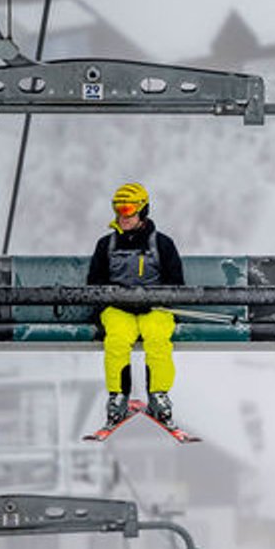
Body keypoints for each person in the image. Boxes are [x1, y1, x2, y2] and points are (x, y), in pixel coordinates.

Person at [88, 181, 185, 427]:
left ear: (142, 210)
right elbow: (94, 283)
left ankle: (158, 394)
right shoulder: (106, 245)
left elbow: (176, 283)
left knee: (157, 337)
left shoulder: (161, 244)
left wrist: (156, 299)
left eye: (128, 209)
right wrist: (107, 304)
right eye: (118, 209)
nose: (123, 216)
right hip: (118, 308)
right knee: (117, 340)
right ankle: (118, 394)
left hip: (155, 307)